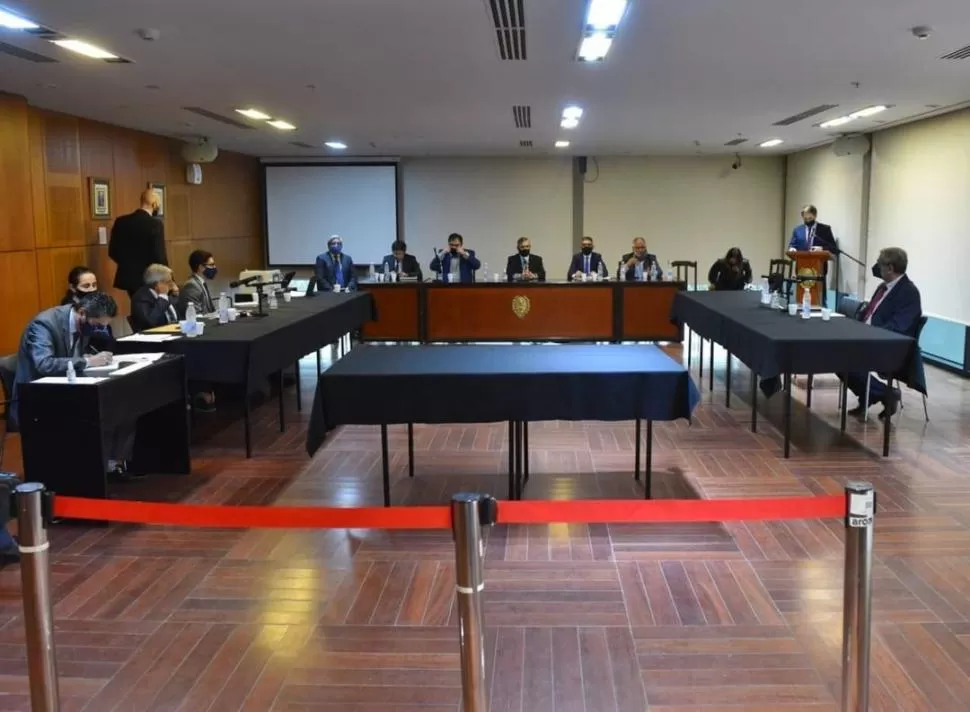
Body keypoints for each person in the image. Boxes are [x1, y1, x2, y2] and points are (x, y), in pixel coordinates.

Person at [10, 292, 136, 480]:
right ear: (82, 313)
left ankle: (110, 466)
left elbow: (72, 355)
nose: (99, 330)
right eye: (97, 325)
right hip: (38, 399)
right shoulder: (43, 324)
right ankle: (88, 473)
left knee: (122, 407)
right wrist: (86, 362)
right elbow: (44, 364)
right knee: (100, 412)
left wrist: (86, 358)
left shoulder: (82, 324)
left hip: (67, 388)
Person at [843, 247, 922, 419]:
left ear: (890, 268)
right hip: (868, 338)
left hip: (890, 346)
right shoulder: (882, 287)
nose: (877, 268)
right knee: (833, 353)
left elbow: (899, 327)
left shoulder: (909, 293)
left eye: (879, 265)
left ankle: (884, 393)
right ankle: (875, 393)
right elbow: (868, 314)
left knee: (842, 356)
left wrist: (867, 334)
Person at [108, 188, 167, 299]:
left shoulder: (121, 221)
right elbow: (159, 254)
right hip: (151, 276)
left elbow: (113, 251)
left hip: (128, 277)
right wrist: (167, 276)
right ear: (154, 204)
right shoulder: (155, 224)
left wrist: (128, 264)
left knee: (136, 305)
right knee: (150, 308)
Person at [60, 266, 114, 351]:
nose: (91, 289)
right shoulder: (69, 310)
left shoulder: (98, 303)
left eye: (94, 285)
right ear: (73, 287)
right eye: (86, 286)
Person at [130, 264, 180, 332]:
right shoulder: (141, 298)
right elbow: (150, 322)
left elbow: (177, 312)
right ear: (157, 284)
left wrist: (176, 294)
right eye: (168, 282)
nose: (172, 284)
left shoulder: (165, 295)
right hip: (154, 338)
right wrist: (163, 296)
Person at [178, 250, 217, 317]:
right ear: (201, 267)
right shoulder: (192, 286)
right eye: (211, 265)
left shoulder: (201, 283)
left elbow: (210, 310)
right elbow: (197, 316)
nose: (215, 267)